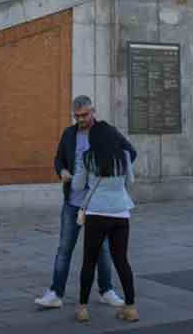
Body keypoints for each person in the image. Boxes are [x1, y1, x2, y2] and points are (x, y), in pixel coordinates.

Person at [36, 95, 133, 312]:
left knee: (104, 251)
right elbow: (58, 158)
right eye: (77, 116)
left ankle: (106, 290)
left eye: (85, 115)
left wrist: (114, 175)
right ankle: (55, 293)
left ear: (93, 111)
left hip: (100, 205)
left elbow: (129, 152)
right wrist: (61, 171)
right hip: (73, 202)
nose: (81, 119)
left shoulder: (107, 132)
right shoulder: (69, 134)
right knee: (64, 247)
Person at [73, 113, 140, 324]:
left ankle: (83, 309)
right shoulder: (124, 156)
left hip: (96, 214)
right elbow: (131, 180)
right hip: (120, 213)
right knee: (122, 261)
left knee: (89, 261)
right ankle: (130, 308)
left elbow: (77, 185)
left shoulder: (88, 157)